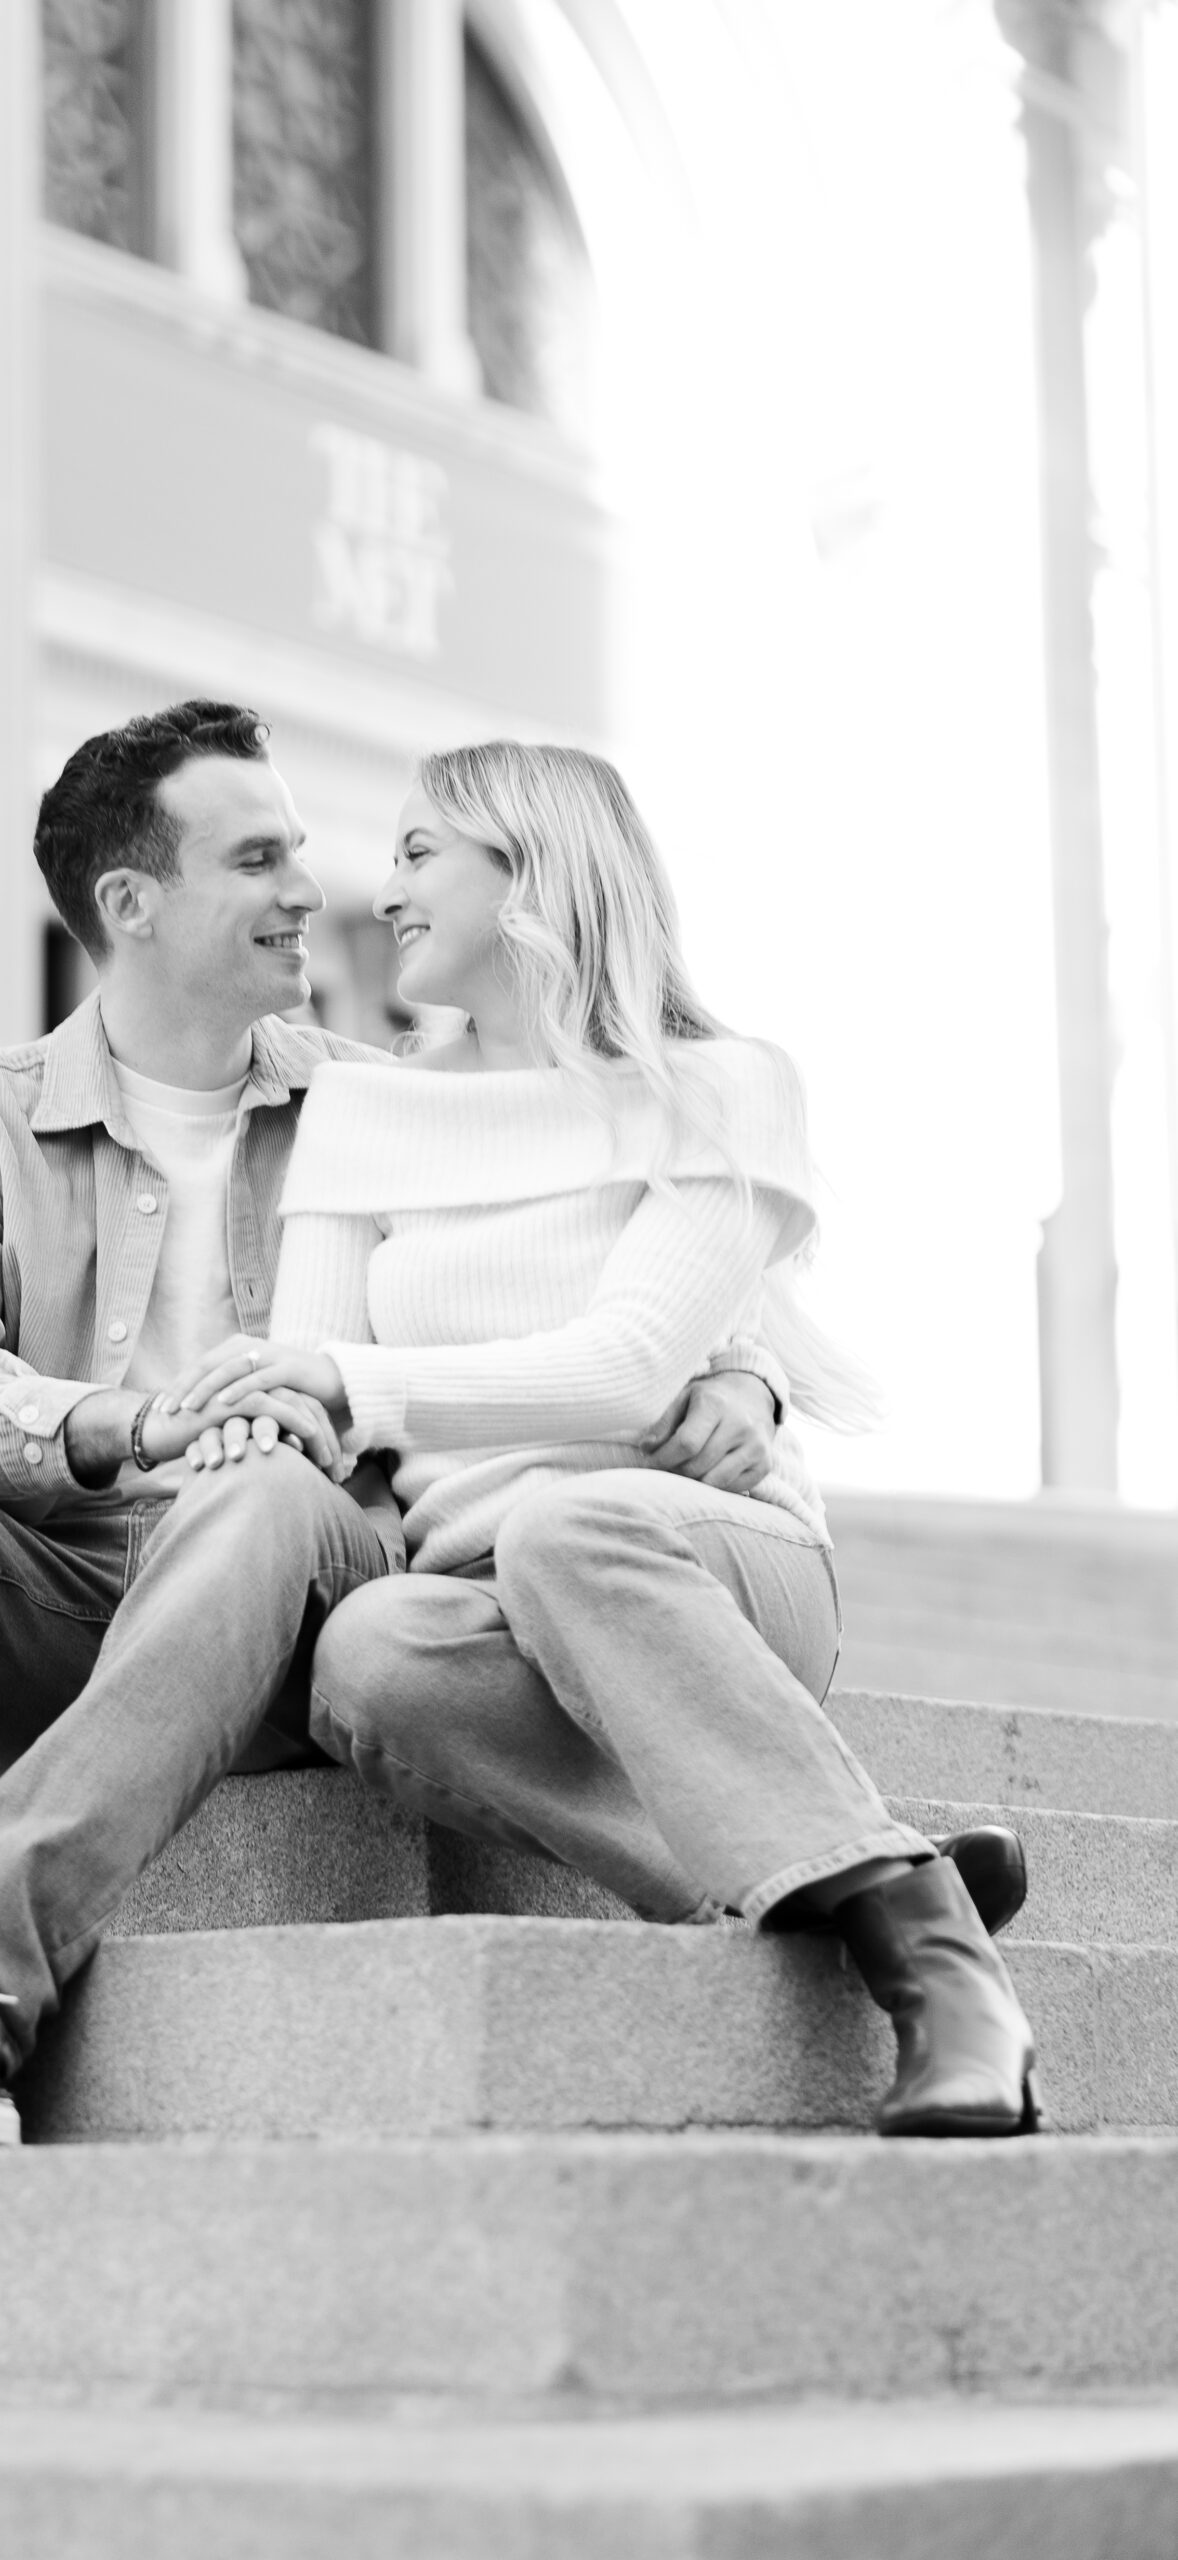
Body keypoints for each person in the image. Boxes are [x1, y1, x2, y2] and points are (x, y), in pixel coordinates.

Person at [0, 702, 785, 2152]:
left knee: (261, 1490)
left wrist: (740, 1373)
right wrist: (124, 1426)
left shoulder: (381, 1099)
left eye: (298, 852)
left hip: (297, 1602)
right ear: (130, 903)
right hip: (54, 1593)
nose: (310, 890)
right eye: (257, 860)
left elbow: (610, 1230)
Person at [164, 741, 1040, 2140]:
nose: (380, 892)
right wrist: (256, 1412)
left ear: (531, 871)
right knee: (370, 1656)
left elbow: (630, 1368)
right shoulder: (363, 1113)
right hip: (482, 1598)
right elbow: (323, 1410)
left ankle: (947, 1990)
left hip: (697, 1560)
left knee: (566, 1522)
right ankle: (872, 1891)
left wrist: (352, 1380)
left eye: (418, 852)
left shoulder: (723, 1085)